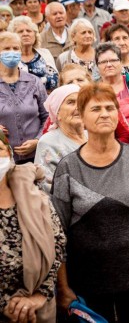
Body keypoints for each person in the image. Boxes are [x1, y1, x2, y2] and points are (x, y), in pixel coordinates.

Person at [51, 82, 129, 323]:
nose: (104, 113)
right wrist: (62, 288)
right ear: (81, 116)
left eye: (110, 108)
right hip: (87, 284)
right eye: (95, 109)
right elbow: (57, 234)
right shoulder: (68, 168)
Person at [0, 130, 66, 323]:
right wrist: (6, 305)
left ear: (10, 155)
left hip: (39, 309)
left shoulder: (34, 195)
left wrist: (41, 295)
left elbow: (58, 243)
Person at [0, 32, 47, 164]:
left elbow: (47, 116)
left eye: (15, 48)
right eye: (6, 48)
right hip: (3, 160)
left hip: (36, 157)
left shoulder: (34, 82)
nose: (12, 52)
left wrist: (38, 140)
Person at [35, 84, 85, 193]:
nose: (78, 106)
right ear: (57, 112)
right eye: (71, 102)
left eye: (82, 101)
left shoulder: (93, 135)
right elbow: (46, 188)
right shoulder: (48, 142)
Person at [95, 43, 129, 128]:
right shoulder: (94, 90)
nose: (109, 65)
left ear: (121, 62)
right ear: (97, 66)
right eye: (104, 62)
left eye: (113, 60)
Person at [8, 16, 58, 92]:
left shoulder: (45, 53)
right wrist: (42, 81)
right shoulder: (8, 57)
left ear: (35, 35)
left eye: (29, 31)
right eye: (20, 31)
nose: (25, 34)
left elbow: (55, 79)